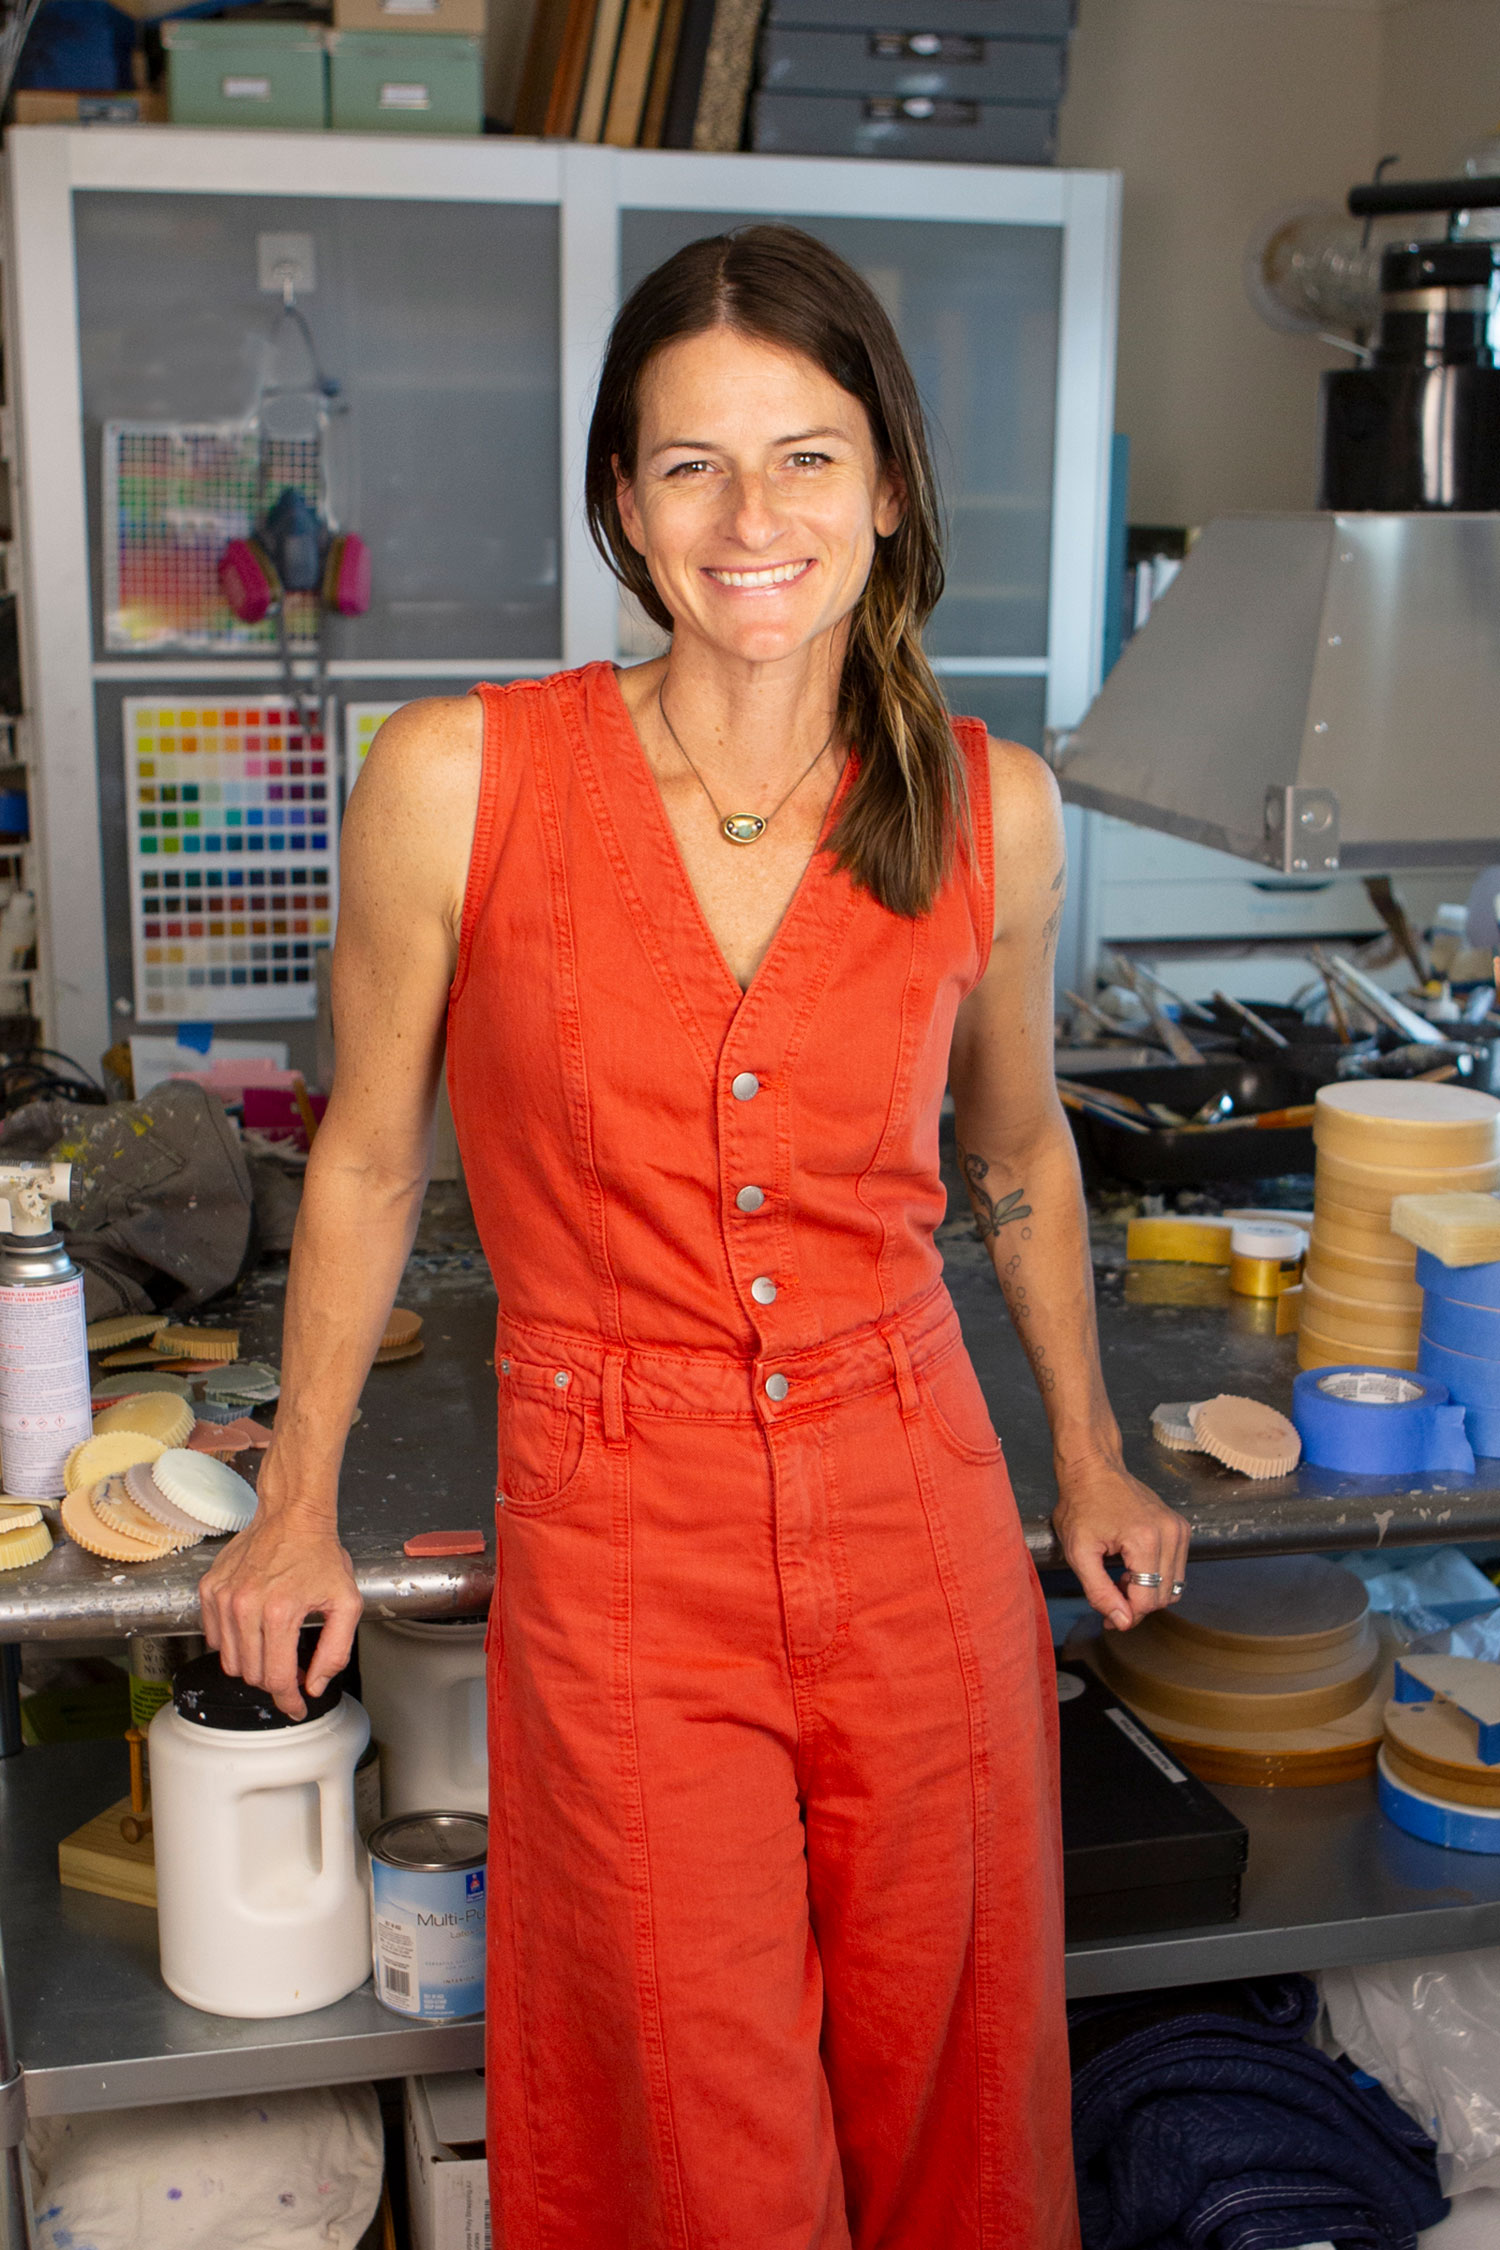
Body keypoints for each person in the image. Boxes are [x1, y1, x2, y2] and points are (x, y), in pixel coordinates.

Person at [200, 223, 1189, 2249]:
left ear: (887, 487)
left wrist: (1089, 1454)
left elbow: (1017, 1150)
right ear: (624, 505)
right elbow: (369, 1164)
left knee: (960, 2104)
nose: (754, 519)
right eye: (692, 465)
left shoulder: (989, 807)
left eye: (808, 456)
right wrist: (294, 1504)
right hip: (619, 1531)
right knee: (694, 2135)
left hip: (918, 1506)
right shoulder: (457, 779)